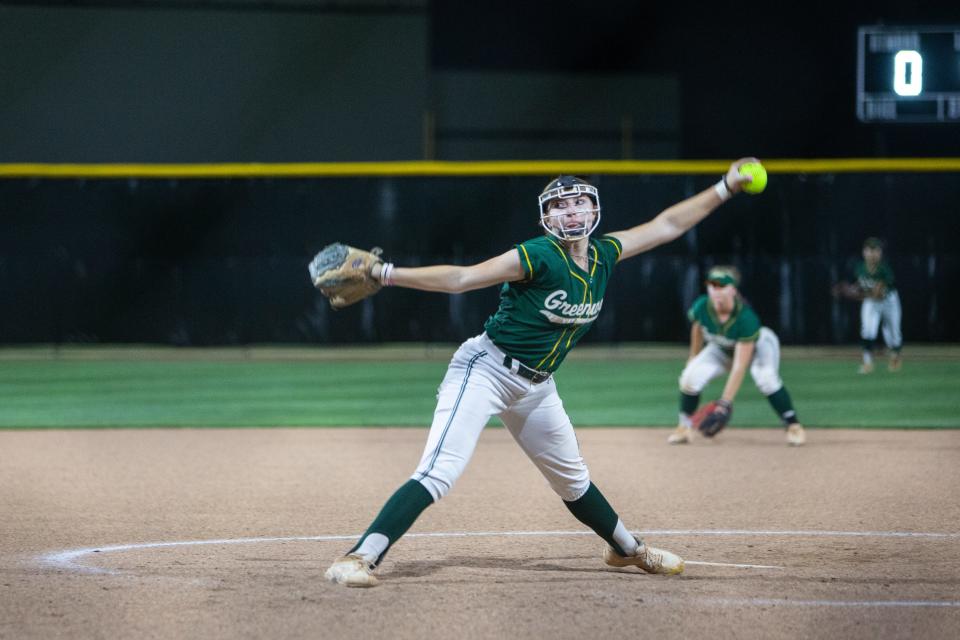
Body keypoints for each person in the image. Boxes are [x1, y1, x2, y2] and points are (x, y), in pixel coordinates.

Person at [324, 158, 759, 588]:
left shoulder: (605, 254)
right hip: (487, 370)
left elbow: (668, 224)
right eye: (559, 205)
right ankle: (357, 558)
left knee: (573, 480)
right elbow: (462, 278)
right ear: (546, 216)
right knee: (440, 471)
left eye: (579, 203)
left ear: (593, 211)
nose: (570, 211)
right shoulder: (538, 255)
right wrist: (385, 273)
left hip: (536, 386)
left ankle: (628, 550)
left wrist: (726, 186)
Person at [666, 266, 806, 446]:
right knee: (689, 377)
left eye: (721, 286)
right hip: (722, 348)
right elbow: (697, 328)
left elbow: (739, 365)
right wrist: (693, 356)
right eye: (712, 285)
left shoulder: (745, 318)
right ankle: (683, 428)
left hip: (760, 346)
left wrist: (725, 403)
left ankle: (793, 425)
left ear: (732, 290)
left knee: (766, 378)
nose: (715, 290)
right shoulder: (702, 305)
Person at [854, 237, 902, 373]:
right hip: (871, 301)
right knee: (867, 330)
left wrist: (852, 294)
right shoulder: (859, 267)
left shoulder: (884, 269)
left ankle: (895, 357)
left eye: (875, 250)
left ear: (880, 253)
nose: (872, 253)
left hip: (889, 301)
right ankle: (867, 362)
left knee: (894, 334)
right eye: (869, 250)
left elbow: (878, 294)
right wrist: (850, 290)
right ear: (864, 252)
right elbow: (861, 286)